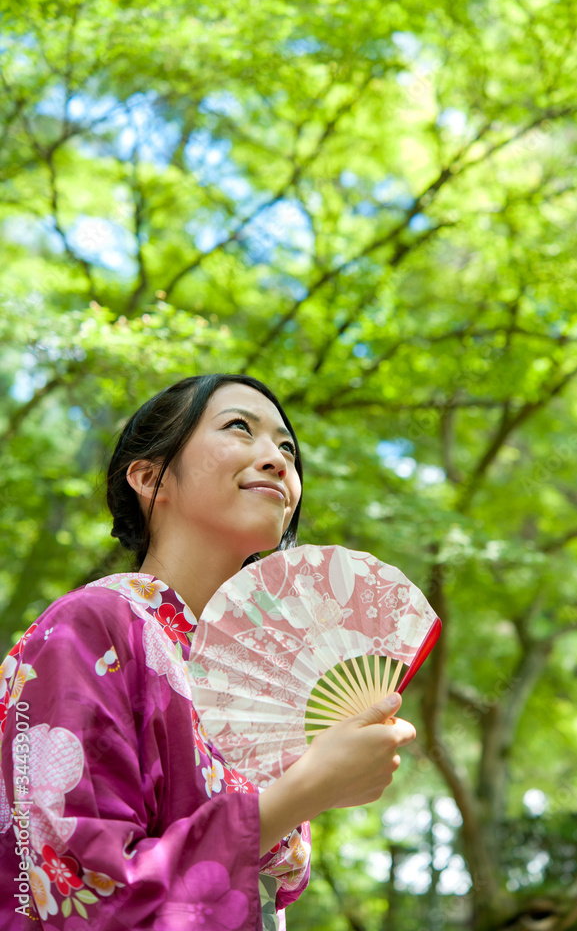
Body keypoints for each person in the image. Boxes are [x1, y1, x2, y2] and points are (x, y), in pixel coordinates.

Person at [0, 373, 416, 930]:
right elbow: (71, 886)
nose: (276, 460)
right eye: (239, 428)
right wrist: (306, 790)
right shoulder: (89, 627)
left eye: (287, 449)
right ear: (150, 478)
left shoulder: (256, 692)